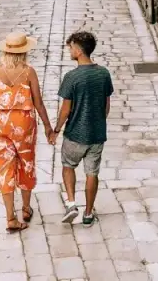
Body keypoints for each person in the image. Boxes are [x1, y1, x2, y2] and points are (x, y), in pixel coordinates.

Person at [0, 32, 54, 233]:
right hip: (24, 125)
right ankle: (26, 208)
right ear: (24, 52)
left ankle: (10, 217)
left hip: (1, 125)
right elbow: (38, 103)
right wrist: (47, 126)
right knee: (26, 164)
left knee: (4, 169)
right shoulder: (29, 73)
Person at [49, 31, 114, 227]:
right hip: (96, 135)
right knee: (92, 173)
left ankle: (71, 204)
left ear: (77, 49)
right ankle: (87, 213)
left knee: (68, 166)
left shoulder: (72, 77)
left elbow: (66, 109)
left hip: (75, 134)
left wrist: (56, 129)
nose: (69, 50)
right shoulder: (103, 73)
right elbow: (106, 106)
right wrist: (98, 122)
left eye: (70, 47)